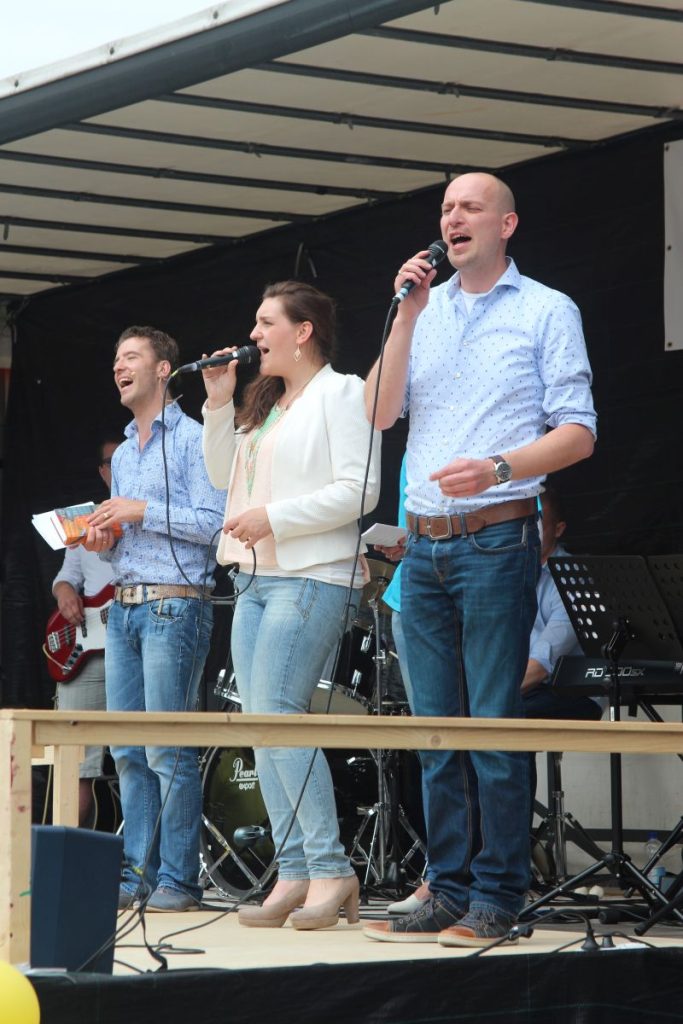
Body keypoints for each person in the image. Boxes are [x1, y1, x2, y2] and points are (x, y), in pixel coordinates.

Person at [362, 171, 597, 947]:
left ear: (506, 225)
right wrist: (405, 316)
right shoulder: (420, 311)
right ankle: (448, 887)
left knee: (492, 723)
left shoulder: (546, 310)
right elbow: (378, 413)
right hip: (422, 544)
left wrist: (500, 468)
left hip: (497, 535)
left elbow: (578, 432)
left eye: (468, 207)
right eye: (444, 209)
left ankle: (499, 895)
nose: (452, 218)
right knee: (434, 731)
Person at [201, 280, 381, 931]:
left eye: (265, 322)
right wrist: (218, 403)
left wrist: (275, 517)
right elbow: (222, 479)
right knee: (260, 727)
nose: (253, 334)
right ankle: (297, 869)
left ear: (303, 331)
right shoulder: (266, 402)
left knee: (278, 716)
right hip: (254, 577)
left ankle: (331, 868)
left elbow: (360, 489)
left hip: (310, 575)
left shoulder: (342, 392)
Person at [84, 326, 226, 912]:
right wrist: (103, 542)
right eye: (116, 358)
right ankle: (137, 875)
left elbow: (216, 525)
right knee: (126, 750)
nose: (119, 366)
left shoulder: (195, 439)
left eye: (131, 357)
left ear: (164, 369)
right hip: (124, 608)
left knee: (168, 749)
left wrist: (142, 509)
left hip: (176, 604)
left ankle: (179, 881)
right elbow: (127, 542)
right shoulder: (121, 454)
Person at [51, 437, 119, 825]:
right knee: (74, 762)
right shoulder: (84, 519)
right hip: (89, 653)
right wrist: (65, 594)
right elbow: (67, 576)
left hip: (138, 646)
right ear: (101, 471)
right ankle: (65, 849)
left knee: (146, 758)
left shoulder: (152, 513)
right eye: (112, 461)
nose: (120, 466)